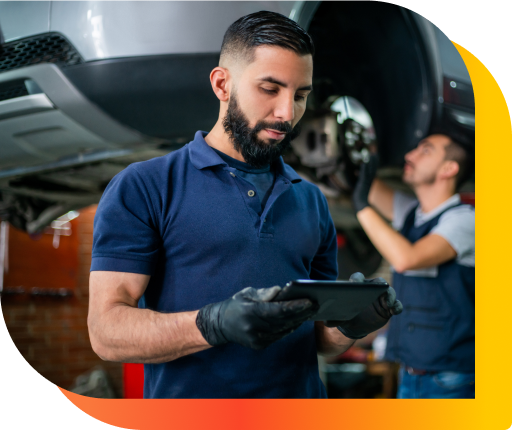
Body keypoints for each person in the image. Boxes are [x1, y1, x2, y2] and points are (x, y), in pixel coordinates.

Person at [87, 11, 402, 399]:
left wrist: (351, 324)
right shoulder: (146, 186)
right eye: (270, 89)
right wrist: (212, 324)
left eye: (300, 95)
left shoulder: (310, 200)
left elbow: (320, 339)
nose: (288, 113)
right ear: (222, 84)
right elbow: (106, 333)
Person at [352, 131, 475, 398]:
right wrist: (360, 152)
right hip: (408, 374)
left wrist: (362, 207)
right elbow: (365, 185)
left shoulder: (465, 220)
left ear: (449, 168)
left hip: (450, 379)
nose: (410, 155)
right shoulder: (412, 213)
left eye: (426, 150)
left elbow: (406, 258)